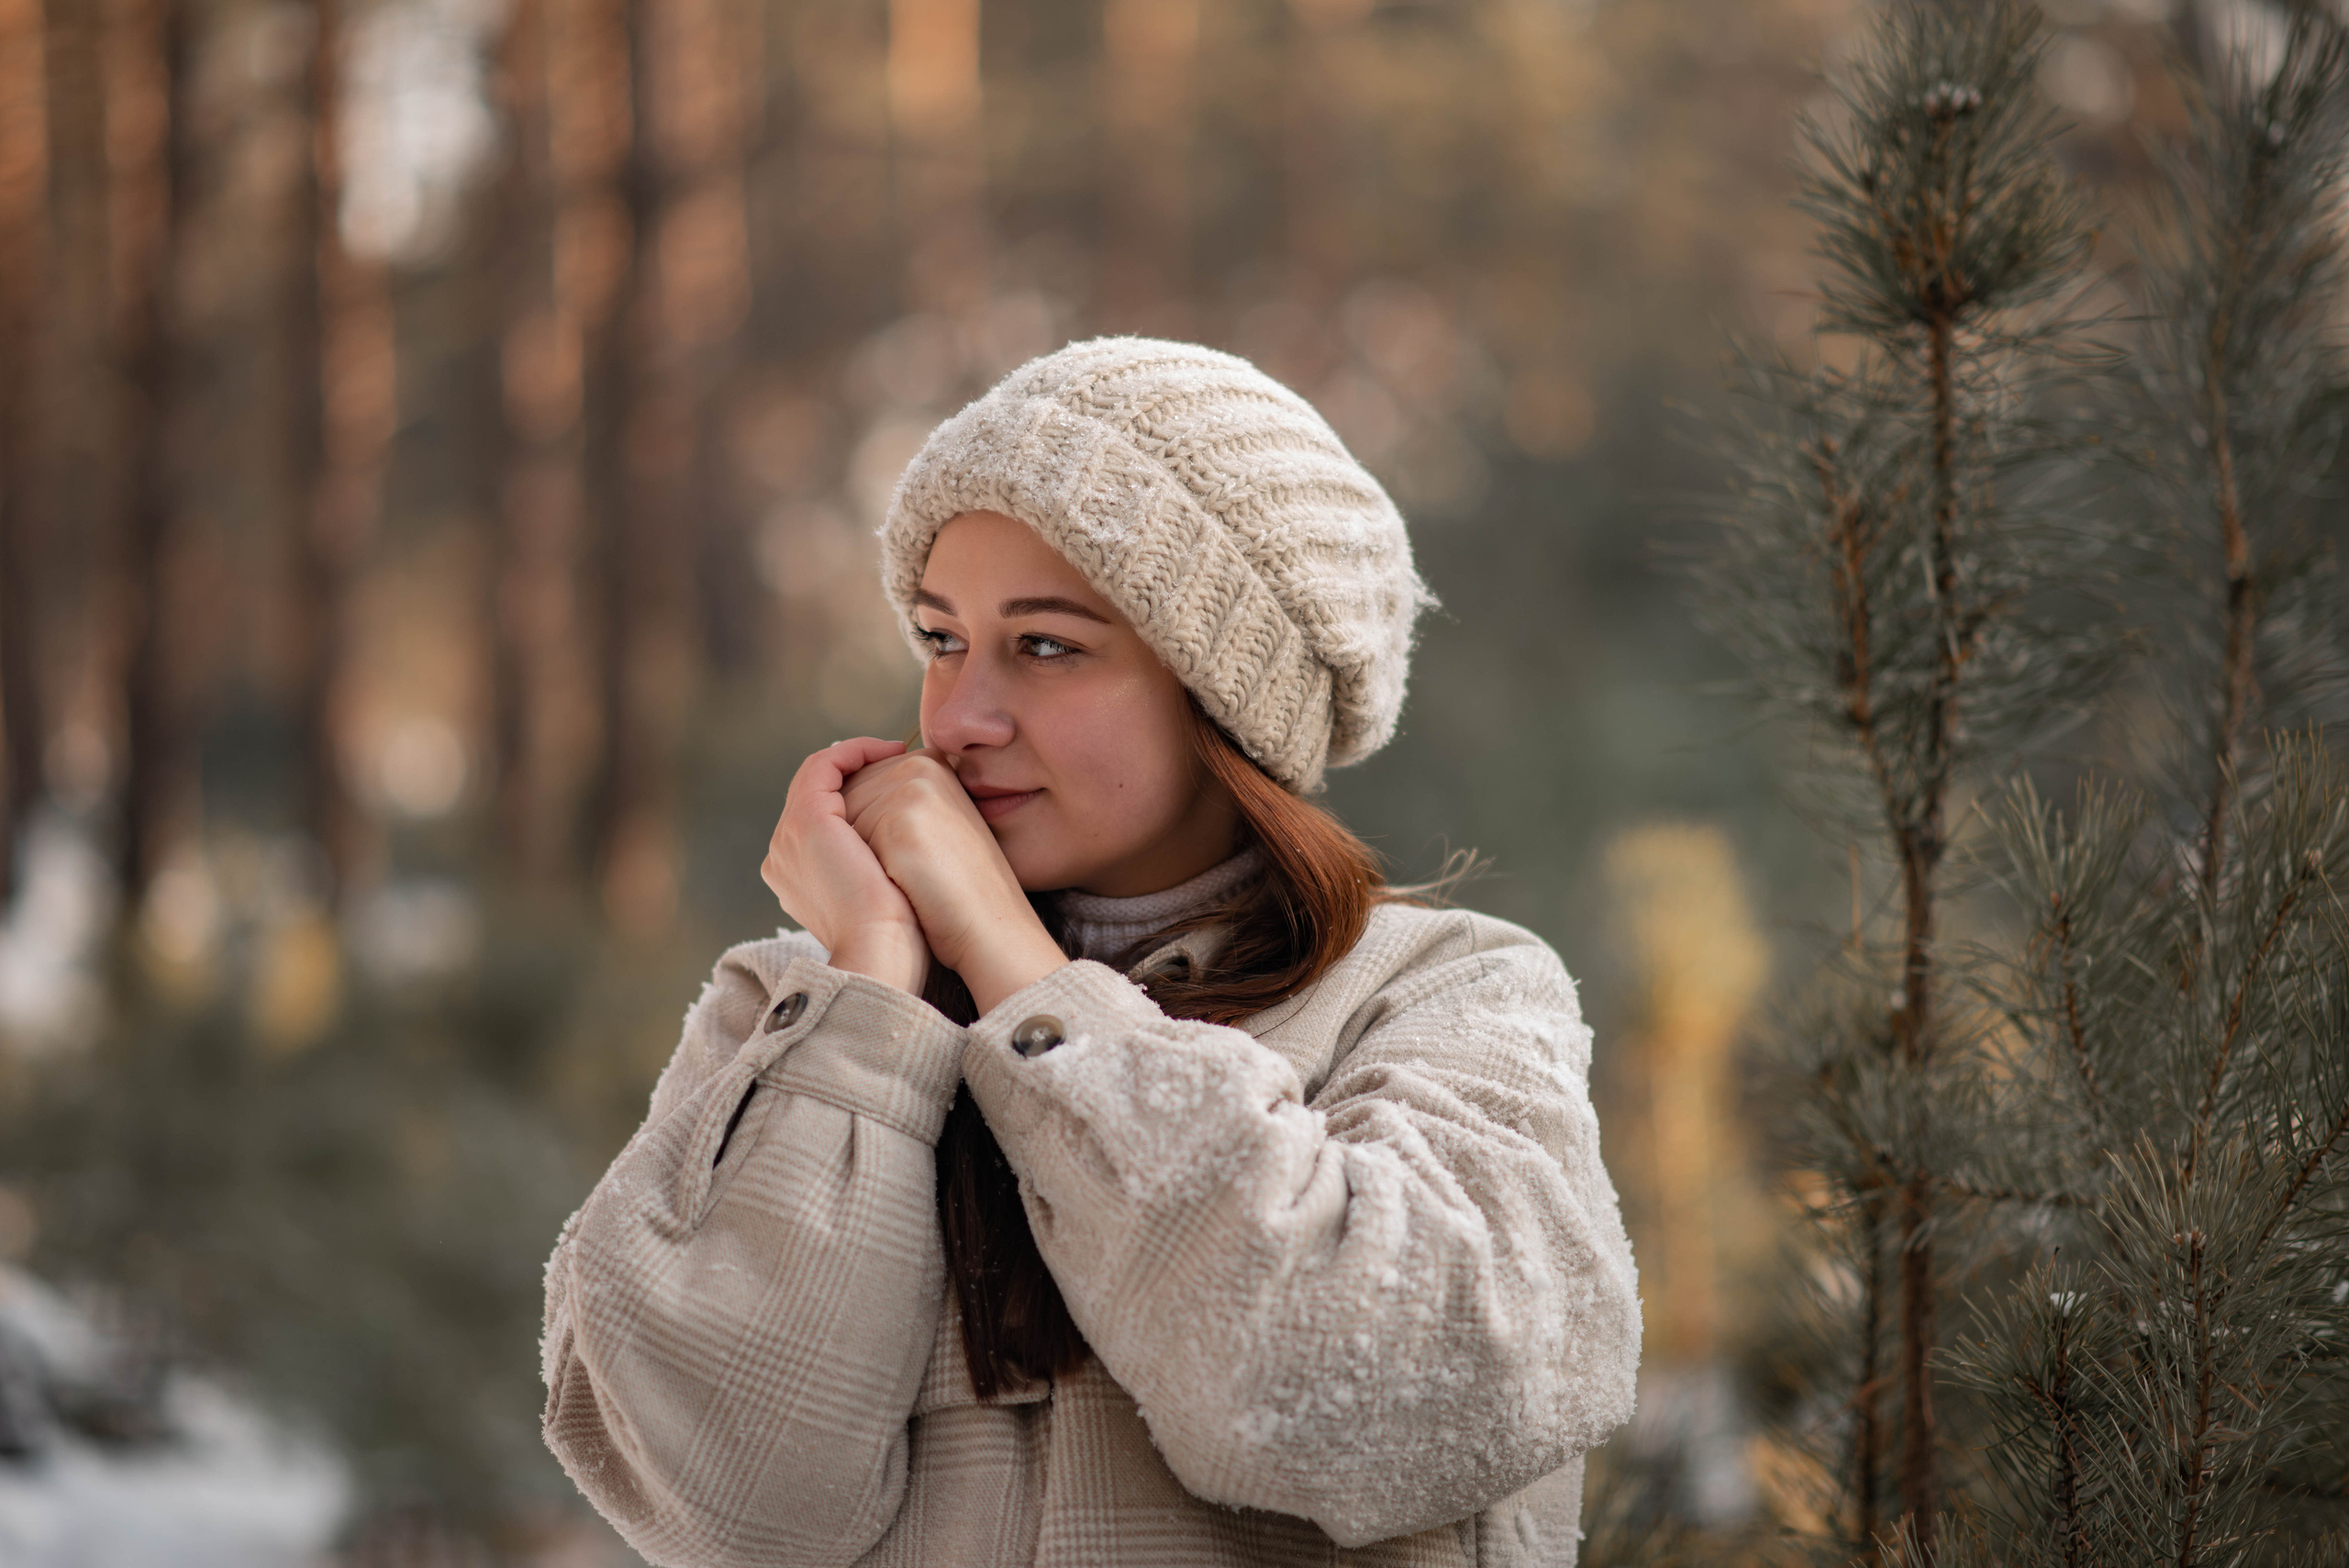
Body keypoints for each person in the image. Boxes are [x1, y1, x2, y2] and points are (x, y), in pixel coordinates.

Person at [539, 338, 1641, 1567]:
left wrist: (1019, 972)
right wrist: (866, 995)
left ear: (1223, 692)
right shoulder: (809, 1012)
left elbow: (1359, 1396)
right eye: (941, 638)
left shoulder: (1449, 998)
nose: (958, 717)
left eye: (1046, 644)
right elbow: (726, 1507)